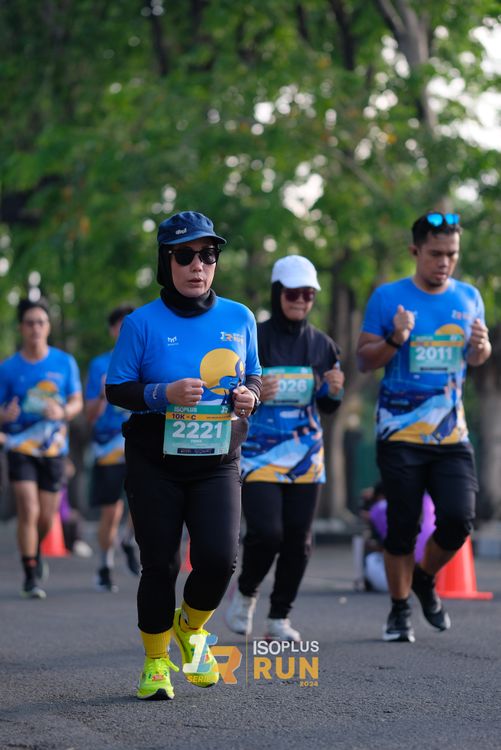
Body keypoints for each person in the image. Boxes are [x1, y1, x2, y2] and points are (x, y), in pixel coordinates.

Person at [105, 210, 261, 700]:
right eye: (185, 255)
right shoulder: (141, 323)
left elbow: (254, 375)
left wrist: (250, 395)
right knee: (161, 564)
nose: (198, 266)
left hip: (218, 460)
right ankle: (156, 663)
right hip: (156, 462)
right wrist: (162, 394)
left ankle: (190, 627)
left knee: (218, 559)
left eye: (208, 255)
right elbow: (116, 388)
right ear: (165, 261)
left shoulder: (240, 317)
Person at [356, 211, 491, 642]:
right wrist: (395, 338)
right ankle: (399, 611)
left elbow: (474, 358)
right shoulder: (388, 298)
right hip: (399, 433)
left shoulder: (469, 296)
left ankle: (424, 577)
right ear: (415, 251)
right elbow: (363, 359)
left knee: (459, 519)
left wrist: (482, 348)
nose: (444, 262)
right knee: (402, 526)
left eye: (452, 254)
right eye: (435, 253)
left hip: (451, 434)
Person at [225, 255, 345, 641]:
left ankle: (279, 617)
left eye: (308, 294)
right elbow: (228, 394)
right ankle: (246, 594)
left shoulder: (323, 345)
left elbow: (328, 406)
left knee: (299, 540)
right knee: (267, 532)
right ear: (277, 293)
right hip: (258, 451)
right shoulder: (253, 338)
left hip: (306, 454)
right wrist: (257, 394)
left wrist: (333, 392)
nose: (301, 301)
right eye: (293, 293)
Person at [0, 298, 83, 598]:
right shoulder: (8, 368)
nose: (35, 328)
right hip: (20, 446)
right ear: (21, 328)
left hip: (53, 450)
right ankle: (29, 572)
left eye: (41, 322)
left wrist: (62, 411)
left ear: (48, 327)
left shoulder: (64, 362)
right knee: (28, 508)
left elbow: (76, 402)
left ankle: (35, 549)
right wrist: (4, 415)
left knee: (46, 517)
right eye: (30, 323)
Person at [85, 305, 140, 593]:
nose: (125, 331)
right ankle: (105, 565)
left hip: (141, 442)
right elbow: (89, 415)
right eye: (120, 325)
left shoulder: (147, 359)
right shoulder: (99, 365)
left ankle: (128, 540)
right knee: (111, 510)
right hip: (109, 446)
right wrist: (103, 393)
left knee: (144, 504)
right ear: (111, 330)